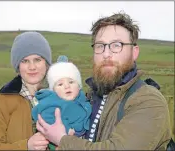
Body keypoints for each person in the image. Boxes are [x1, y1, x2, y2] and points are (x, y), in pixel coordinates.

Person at [36, 12, 172, 150]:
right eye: (100, 46)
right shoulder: (89, 98)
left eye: (117, 45)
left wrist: (62, 140)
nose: (106, 54)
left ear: (134, 52)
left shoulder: (148, 101)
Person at [0, 31, 52, 150]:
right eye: (25, 61)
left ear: (46, 63)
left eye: (37, 59)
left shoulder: (61, 98)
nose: (32, 67)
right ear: (17, 66)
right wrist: (25, 146)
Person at [32, 61, 92, 150]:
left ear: (79, 86)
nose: (67, 86)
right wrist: (66, 131)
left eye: (71, 82)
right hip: (57, 142)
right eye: (60, 84)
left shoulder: (82, 99)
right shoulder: (51, 103)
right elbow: (46, 119)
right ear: (53, 90)